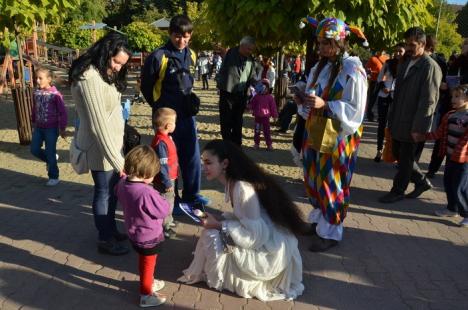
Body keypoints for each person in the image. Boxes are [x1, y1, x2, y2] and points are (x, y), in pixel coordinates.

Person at [178, 139, 305, 301]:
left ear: (224, 164)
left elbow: (256, 237)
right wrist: (219, 221)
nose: (203, 168)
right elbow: (243, 218)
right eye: (203, 162)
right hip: (261, 237)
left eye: (208, 163)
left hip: (268, 249)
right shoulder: (232, 183)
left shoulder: (242, 188)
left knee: (211, 235)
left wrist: (218, 225)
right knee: (210, 233)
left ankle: (224, 277)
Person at [299, 17, 368, 251]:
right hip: (317, 130)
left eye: (326, 43)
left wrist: (325, 104)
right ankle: (320, 221)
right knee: (313, 174)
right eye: (319, 43)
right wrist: (303, 97)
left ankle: (332, 231)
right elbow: (315, 96)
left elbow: (355, 109)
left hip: (338, 134)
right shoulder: (323, 66)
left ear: (339, 42)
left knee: (331, 179)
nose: (321, 48)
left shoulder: (352, 69)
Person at [69, 32, 132, 255]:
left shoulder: (103, 73)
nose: (117, 67)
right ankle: (104, 239)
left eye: (121, 64)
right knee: (104, 192)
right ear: (106, 51)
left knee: (112, 191)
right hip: (99, 147)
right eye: (116, 61)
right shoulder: (89, 77)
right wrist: (118, 161)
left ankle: (111, 229)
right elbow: (98, 125)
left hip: (112, 145)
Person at [141, 15, 209, 207]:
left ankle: (191, 195)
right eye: (177, 36)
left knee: (192, 157)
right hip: (166, 120)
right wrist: (159, 110)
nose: (182, 40)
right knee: (168, 159)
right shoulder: (158, 56)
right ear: (170, 34)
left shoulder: (192, 54)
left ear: (191, 35)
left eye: (186, 36)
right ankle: (172, 200)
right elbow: (146, 87)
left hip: (186, 117)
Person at [379, 27, 442, 203]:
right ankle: (421, 182)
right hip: (399, 118)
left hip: (413, 122)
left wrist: (419, 128)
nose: (407, 47)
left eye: (411, 44)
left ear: (422, 44)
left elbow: (429, 100)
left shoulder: (430, 67)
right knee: (399, 153)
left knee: (405, 158)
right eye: (406, 43)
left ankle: (398, 190)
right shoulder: (406, 63)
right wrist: (391, 118)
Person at [115, 145, 170, 307]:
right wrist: (160, 196)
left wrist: (124, 178)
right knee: (148, 263)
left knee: (144, 261)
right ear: (145, 174)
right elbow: (163, 210)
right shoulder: (146, 192)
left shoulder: (123, 184)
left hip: (134, 233)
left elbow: (117, 190)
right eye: (153, 175)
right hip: (149, 237)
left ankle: (149, 281)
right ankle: (146, 294)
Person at [415, 84, 468, 227]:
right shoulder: (449, 115)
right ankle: (452, 208)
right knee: (448, 183)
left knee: (459, 187)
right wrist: (422, 137)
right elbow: (438, 134)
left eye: (457, 96)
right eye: (452, 96)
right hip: (451, 157)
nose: (453, 99)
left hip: (464, 160)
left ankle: (466, 213)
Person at [30, 67, 67, 186]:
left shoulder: (55, 95)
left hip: (51, 129)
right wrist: (33, 120)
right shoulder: (36, 93)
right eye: (36, 78)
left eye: (40, 78)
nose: (37, 80)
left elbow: (63, 112)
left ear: (49, 79)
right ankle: (51, 159)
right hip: (39, 128)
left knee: (50, 152)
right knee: (34, 149)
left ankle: (54, 176)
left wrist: (62, 128)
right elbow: (35, 108)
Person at [217, 36, 257, 146]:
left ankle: (237, 145)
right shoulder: (231, 53)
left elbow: (252, 76)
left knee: (238, 122)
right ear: (242, 46)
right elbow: (225, 56)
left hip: (241, 95)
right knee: (226, 121)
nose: (250, 52)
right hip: (228, 93)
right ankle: (227, 144)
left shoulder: (250, 59)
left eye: (252, 49)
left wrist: (258, 83)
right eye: (249, 49)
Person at [374, 44, 405, 162]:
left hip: (397, 98)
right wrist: (383, 87)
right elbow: (379, 78)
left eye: (400, 51)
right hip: (384, 95)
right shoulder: (388, 63)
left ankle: (393, 152)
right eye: (396, 51)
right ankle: (379, 150)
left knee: (395, 125)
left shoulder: (407, 65)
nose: (398, 54)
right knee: (382, 123)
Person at [151, 108, 178, 238]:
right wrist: (167, 181)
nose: (175, 125)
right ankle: (164, 226)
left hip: (169, 176)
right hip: (164, 179)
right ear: (168, 125)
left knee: (170, 200)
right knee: (165, 203)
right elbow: (162, 164)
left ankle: (169, 220)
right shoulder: (161, 142)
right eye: (174, 122)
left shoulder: (164, 138)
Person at [249, 79, 278, 150]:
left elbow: (273, 107)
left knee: (267, 132)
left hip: (266, 117)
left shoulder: (270, 97)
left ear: (268, 89)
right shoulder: (256, 96)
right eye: (261, 87)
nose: (263, 90)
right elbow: (252, 104)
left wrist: (275, 116)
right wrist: (250, 108)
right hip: (257, 117)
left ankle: (269, 145)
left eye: (265, 88)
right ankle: (256, 144)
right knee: (257, 131)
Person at [365, 51, 388, 121]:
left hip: (384, 82)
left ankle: (380, 116)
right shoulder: (372, 59)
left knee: (382, 99)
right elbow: (367, 70)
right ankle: (370, 116)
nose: (381, 51)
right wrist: (370, 73)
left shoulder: (386, 58)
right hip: (374, 81)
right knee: (372, 99)